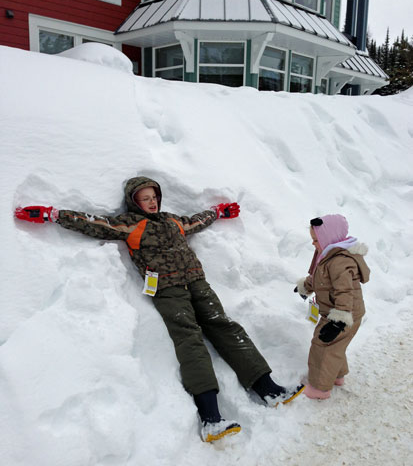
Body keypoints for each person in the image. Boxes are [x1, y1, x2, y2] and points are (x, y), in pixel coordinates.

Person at [15, 176, 304, 442]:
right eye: (145, 198)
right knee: (190, 339)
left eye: (154, 197)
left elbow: (196, 221)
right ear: (134, 202)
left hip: (196, 281)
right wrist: (53, 215)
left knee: (223, 325)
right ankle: (211, 418)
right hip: (168, 290)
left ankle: (268, 388)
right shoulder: (130, 224)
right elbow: (92, 223)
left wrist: (218, 212)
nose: (152, 202)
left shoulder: (173, 221)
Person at [294, 214, 370, 399]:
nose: (313, 244)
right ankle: (337, 375)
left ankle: (320, 388)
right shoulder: (328, 256)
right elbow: (321, 280)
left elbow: (345, 291)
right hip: (341, 312)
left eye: (315, 239)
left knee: (323, 345)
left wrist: (339, 321)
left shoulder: (339, 262)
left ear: (328, 238)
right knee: (335, 346)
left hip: (343, 314)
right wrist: (306, 286)